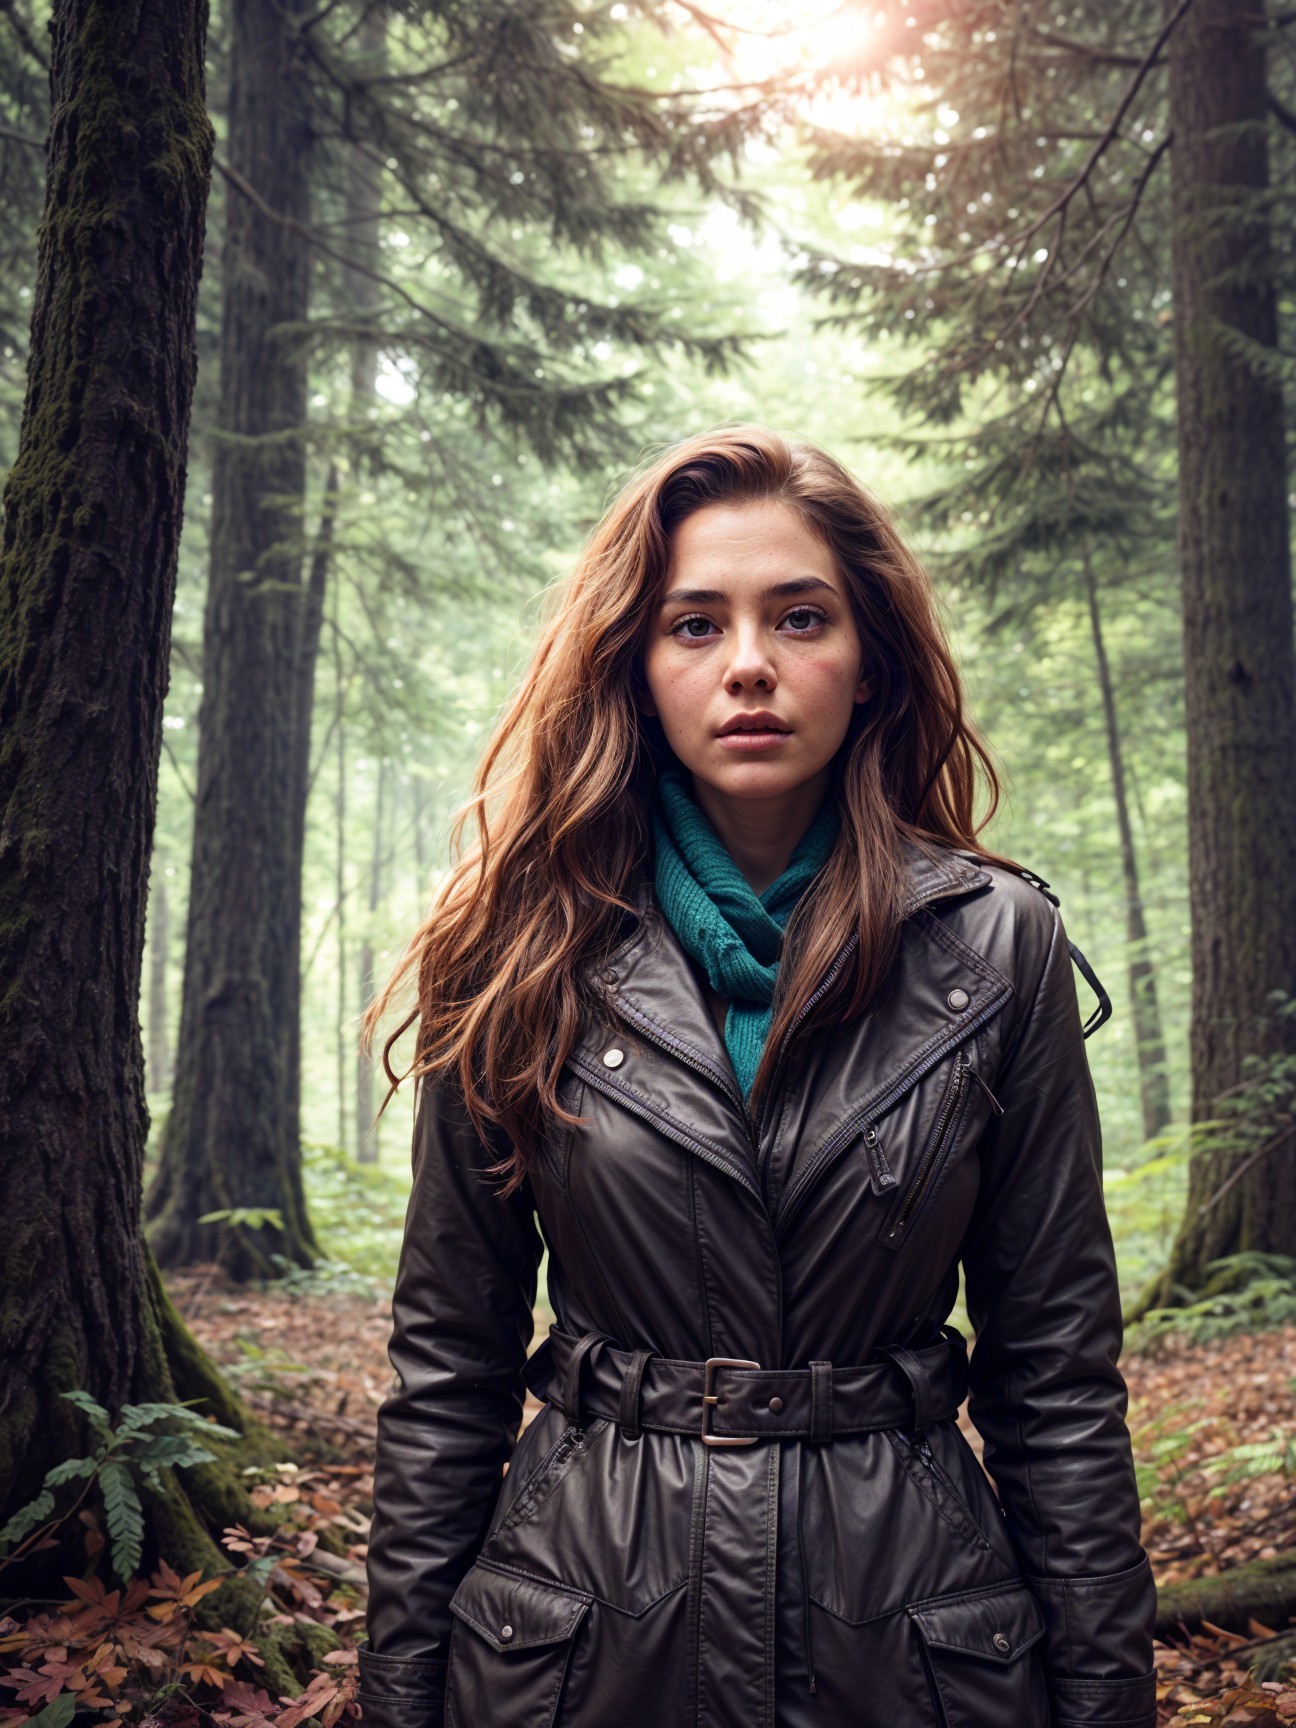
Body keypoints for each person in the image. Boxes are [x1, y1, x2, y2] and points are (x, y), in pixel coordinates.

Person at [354, 425, 1157, 1728]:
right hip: (581, 1640)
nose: (748, 668)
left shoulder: (997, 947)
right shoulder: (516, 945)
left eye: (798, 618)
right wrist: (396, 1698)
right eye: (693, 625)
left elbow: (1056, 1377)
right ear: (634, 664)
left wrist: (1110, 1699)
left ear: (869, 661)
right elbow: (449, 1371)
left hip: (913, 1645)